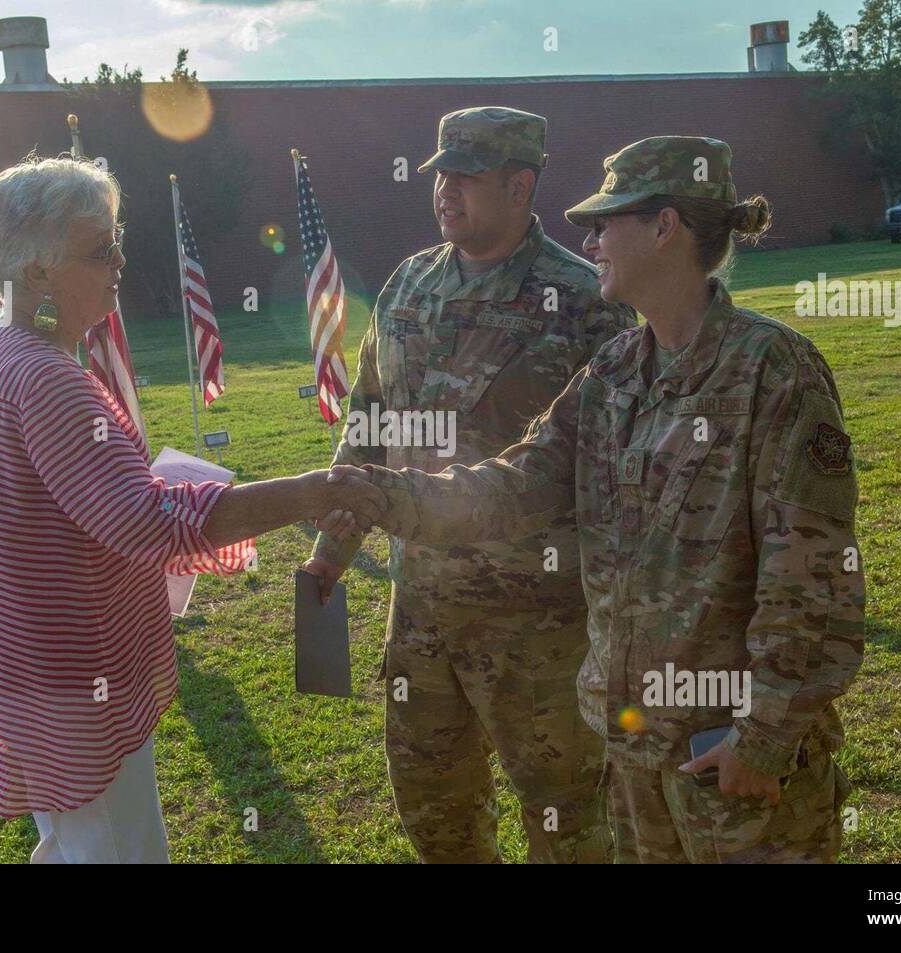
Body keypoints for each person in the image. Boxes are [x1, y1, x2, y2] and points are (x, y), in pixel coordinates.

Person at [348, 135, 865, 862]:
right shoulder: (615, 369)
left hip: (733, 764)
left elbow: (812, 581)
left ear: (665, 226)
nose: (588, 240)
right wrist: (375, 492)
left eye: (605, 222)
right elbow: (517, 484)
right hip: (631, 750)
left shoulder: (775, 373)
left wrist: (767, 738)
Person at [0, 154, 384, 864]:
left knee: (71, 840)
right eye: (99, 249)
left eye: (117, 239)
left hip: (19, 662)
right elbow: (148, 523)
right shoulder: (44, 376)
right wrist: (311, 491)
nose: (120, 260)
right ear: (35, 274)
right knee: (116, 849)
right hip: (73, 670)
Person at [304, 106, 633, 863]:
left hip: (542, 624)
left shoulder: (586, 300)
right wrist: (332, 549)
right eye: (440, 173)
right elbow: (369, 426)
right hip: (421, 612)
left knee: (567, 819)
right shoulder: (409, 285)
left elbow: (620, 470)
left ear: (521, 185)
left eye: (467, 175)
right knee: (435, 811)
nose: (446, 189)